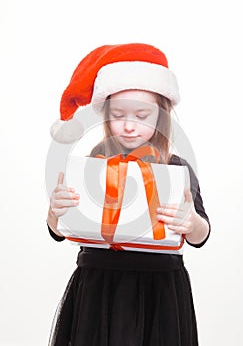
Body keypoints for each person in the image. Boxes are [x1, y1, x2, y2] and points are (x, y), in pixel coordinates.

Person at [47, 43, 210, 346]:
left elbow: (201, 235)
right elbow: (61, 231)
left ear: (161, 116)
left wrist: (192, 224)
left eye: (141, 115)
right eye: (118, 115)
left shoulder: (176, 167)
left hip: (159, 289)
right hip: (99, 286)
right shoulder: (92, 164)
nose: (128, 126)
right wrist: (55, 214)